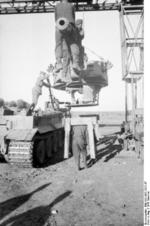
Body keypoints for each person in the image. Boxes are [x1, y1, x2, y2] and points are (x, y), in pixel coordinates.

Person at [55, 0, 81, 74]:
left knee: (58, 44)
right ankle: (75, 63)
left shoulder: (56, 6)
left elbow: (56, 18)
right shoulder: (71, 5)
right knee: (73, 44)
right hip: (70, 26)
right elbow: (73, 17)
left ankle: (59, 63)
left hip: (59, 26)